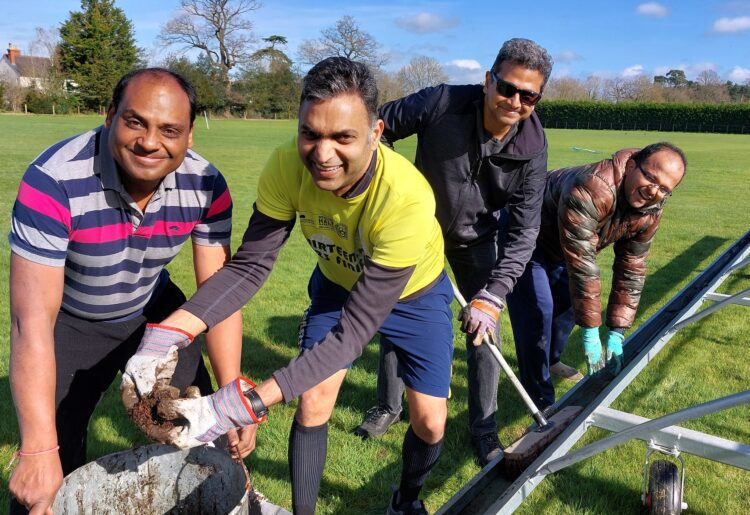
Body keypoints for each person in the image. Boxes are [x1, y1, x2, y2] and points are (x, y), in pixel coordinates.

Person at [121, 57, 454, 515]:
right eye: (310, 134)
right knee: (313, 400)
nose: (322, 153)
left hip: (414, 295)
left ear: (376, 133)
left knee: (430, 421)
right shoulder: (284, 165)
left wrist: (242, 405)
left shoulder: (407, 198)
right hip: (337, 287)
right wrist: (166, 336)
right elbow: (249, 267)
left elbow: (353, 335)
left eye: (343, 138)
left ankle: (408, 498)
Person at [7, 68, 248, 514]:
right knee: (48, 460)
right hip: (73, 320)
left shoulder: (207, 185)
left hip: (155, 312)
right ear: (109, 116)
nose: (150, 142)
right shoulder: (52, 180)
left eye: (170, 130)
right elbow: (30, 320)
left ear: (190, 135)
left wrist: (232, 395)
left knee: (196, 427)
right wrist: (38, 451)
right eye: (135, 122)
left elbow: (218, 296)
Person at [355, 38, 554, 465]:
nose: (514, 100)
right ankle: (389, 407)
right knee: (397, 317)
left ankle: (484, 427)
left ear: (537, 99)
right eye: (506, 87)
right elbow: (374, 129)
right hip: (413, 230)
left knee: (485, 328)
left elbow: (524, 230)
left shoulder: (533, 148)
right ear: (488, 80)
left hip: (475, 240)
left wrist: (494, 295)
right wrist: (390, 182)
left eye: (528, 95)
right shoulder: (442, 101)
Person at [505, 142, 687, 410]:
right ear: (633, 163)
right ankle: (540, 402)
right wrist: (591, 332)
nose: (653, 191)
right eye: (650, 177)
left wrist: (617, 330)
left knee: (568, 304)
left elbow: (632, 266)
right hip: (525, 237)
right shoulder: (593, 187)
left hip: (562, 245)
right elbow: (582, 263)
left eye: (664, 190)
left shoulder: (650, 212)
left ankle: (552, 359)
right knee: (538, 310)